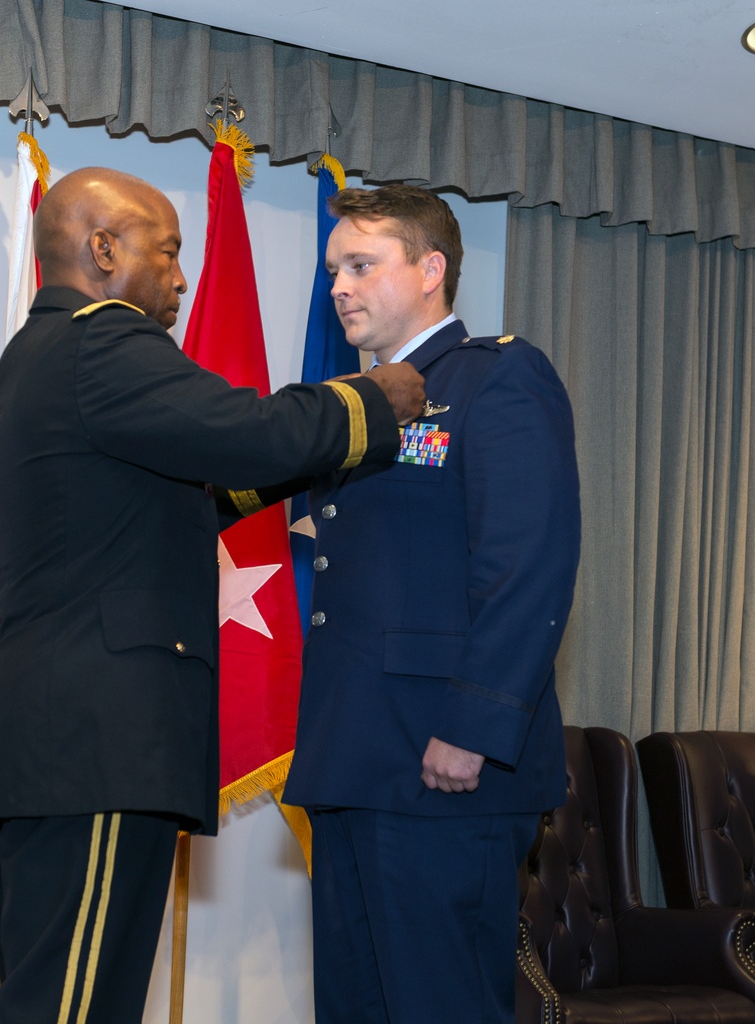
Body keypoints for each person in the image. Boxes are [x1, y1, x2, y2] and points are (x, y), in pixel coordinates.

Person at [0, 167, 428, 1024]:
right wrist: (372, 402)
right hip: (92, 747)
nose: (180, 278)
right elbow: (246, 432)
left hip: (48, 743)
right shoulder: (103, 342)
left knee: (50, 1002)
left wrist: (308, 465)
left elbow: (183, 499)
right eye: (167, 253)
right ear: (102, 250)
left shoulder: (42, 358)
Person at [282, 185, 581, 1023]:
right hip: (355, 760)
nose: (338, 286)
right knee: (355, 1009)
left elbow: (529, 565)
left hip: (442, 765)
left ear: (430, 269)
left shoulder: (497, 378)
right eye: (333, 269)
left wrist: (474, 726)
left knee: (439, 1006)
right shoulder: (360, 405)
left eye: (361, 265)